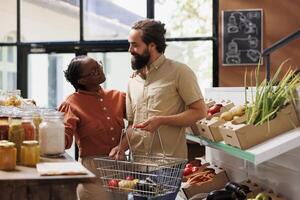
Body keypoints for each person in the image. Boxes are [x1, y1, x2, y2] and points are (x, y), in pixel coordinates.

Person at [109, 19, 207, 200]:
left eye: (134, 45)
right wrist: (121, 147)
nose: (130, 50)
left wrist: (162, 120)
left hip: (166, 164)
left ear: (152, 45)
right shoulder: (133, 80)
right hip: (137, 164)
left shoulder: (180, 72)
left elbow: (200, 111)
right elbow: (132, 123)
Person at [58, 55, 127, 200]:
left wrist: (123, 145)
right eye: (93, 71)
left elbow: (138, 123)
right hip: (92, 172)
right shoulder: (71, 103)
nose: (100, 71)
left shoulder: (118, 96)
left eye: (99, 66)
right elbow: (62, 142)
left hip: (120, 167)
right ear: (81, 80)